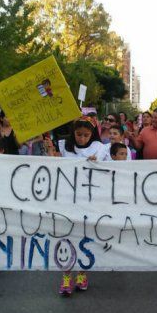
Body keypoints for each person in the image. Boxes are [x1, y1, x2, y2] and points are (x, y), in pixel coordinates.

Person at [45, 118, 104, 295]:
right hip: (67, 201)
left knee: (84, 239)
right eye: (79, 134)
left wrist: (97, 162)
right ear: (73, 133)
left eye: (86, 135)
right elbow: (53, 165)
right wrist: (50, 150)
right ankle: (66, 277)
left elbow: (106, 168)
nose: (82, 138)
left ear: (92, 135)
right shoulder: (64, 146)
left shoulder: (99, 148)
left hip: (88, 201)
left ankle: (82, 274)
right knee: (66, 238)